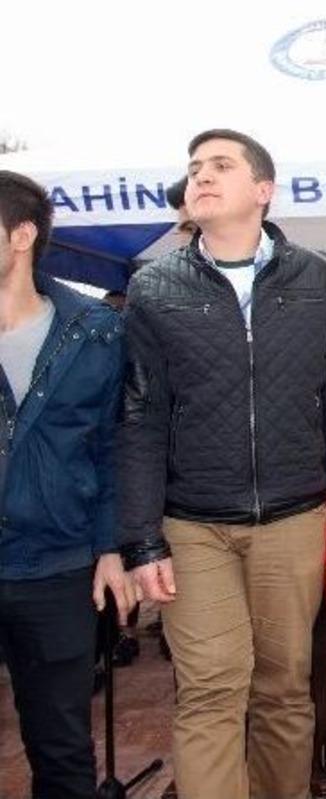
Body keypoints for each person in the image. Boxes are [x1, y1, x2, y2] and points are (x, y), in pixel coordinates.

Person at [118, 129, 326, 799]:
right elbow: (140, 416)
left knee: (284, 688)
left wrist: (320, 491)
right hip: (192, 526)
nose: (202, 176)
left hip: (293, 519)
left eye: (221, 165)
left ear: (263, 190)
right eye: (195, 167)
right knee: (210, 688)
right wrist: (141, 540)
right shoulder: (153, 286)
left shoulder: (316, 278)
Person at [0, 170, 133, 799]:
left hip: (57, 567)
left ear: (21, 235)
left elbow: (111, 447)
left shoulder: (94, 331)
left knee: (61, 750)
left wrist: (110, 548)